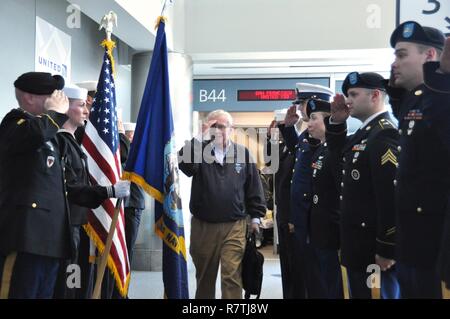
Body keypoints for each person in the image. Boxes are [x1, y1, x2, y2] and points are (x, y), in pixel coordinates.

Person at [386, 21, 450, 298]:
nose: (394, 63)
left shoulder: (442, 99)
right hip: (411, 238)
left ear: (430, 56)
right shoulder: (416, 99)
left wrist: (442, 80)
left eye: (401, 55)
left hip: (435, 243)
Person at [326, 72, 400, 299]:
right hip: (358, 246)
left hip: (373, 251)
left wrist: (387, 247)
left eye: (354, 94)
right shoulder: (366, 132)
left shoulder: (384, 132)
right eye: (348, 94)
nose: (348, 100)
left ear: (375, 95)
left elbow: (390, 197)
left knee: (375, 295)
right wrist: (337, 122)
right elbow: (339, 157)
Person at [178, 109, 266, 299]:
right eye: (213, 126)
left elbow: (253, 187)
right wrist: (200, 138)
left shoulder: (243, 154)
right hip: (204, 226)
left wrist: (256, 217)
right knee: (204, 278)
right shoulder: (199, 152)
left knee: (231, 275)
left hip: (235, 225)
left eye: (222, 126)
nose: (218, 131)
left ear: (231, 129)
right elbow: (184, 166)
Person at [53, 84, 130, 299]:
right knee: (68, 281)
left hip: (80, 219)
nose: (87, 111)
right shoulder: (61, 140)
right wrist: (108, 190)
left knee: (77, 279)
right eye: (82, 105)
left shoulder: (71, 139)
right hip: (69, 221)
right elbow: (72, 186)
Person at [0, 72, 70, 299]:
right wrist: (54, 113)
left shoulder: (48, 134)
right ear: (29, 98)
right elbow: (34, 134)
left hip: (49, 238)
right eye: (51, 96)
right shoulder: (14, 124)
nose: (58, 101)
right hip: (26, 236)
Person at [278, 83, 333, 298]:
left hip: (314, 220)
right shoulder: (306, 136)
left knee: (317, 281)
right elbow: (298, 154)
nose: (299, 109)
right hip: (300, 217)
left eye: (302, 104)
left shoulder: (322, 140)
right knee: (304, 276)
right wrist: (287, 128)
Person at [306, 99, 344, 298]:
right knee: (325, 286)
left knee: (335, 288)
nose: (309, 124)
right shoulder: (322, 150)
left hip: (332, 234)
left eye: (314, 118)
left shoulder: (336, 151)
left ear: (328, 120)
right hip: (320, 232)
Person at [264, 115, 296, 298]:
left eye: (281, 126)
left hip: (292, 215)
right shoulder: (283, 148)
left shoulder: (298, 146)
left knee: (295, 263)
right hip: (282, 212)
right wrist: (270, 138)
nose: (279, 130)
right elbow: (270, 161)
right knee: (286, 263)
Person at [119, 122, 145, 263]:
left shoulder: (138, 152)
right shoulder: (121, 149)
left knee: (128, 246)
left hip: (132, 204)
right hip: (120, 202)